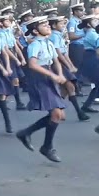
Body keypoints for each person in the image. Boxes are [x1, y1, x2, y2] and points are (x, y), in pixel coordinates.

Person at [15, 17, 66, 162]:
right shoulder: (34, 45)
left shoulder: (48, 43)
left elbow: (56, 61)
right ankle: (47, 146)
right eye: (43, 25)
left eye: (47, 24)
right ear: (35, 30)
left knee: (60, 115)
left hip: (48, 77)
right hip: (39, 79)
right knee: (56, 113)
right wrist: (52, 75)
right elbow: (32, 65)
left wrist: (60, 74)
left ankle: (26, 133)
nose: (48, 26)